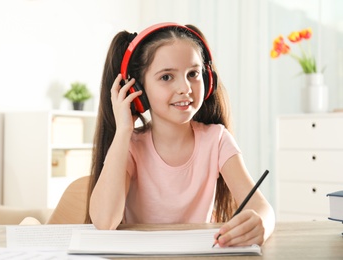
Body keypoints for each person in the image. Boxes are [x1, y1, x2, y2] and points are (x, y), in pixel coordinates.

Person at [87, 22, 275, 247]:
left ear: (207, 79)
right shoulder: (130, 146)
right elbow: (104, 220)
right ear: (137, 90)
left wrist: (262, 222)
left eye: (193, 74)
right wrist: (124, 131)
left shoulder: (216, 140)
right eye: (166, 77)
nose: (185, 88)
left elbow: (262, 208)